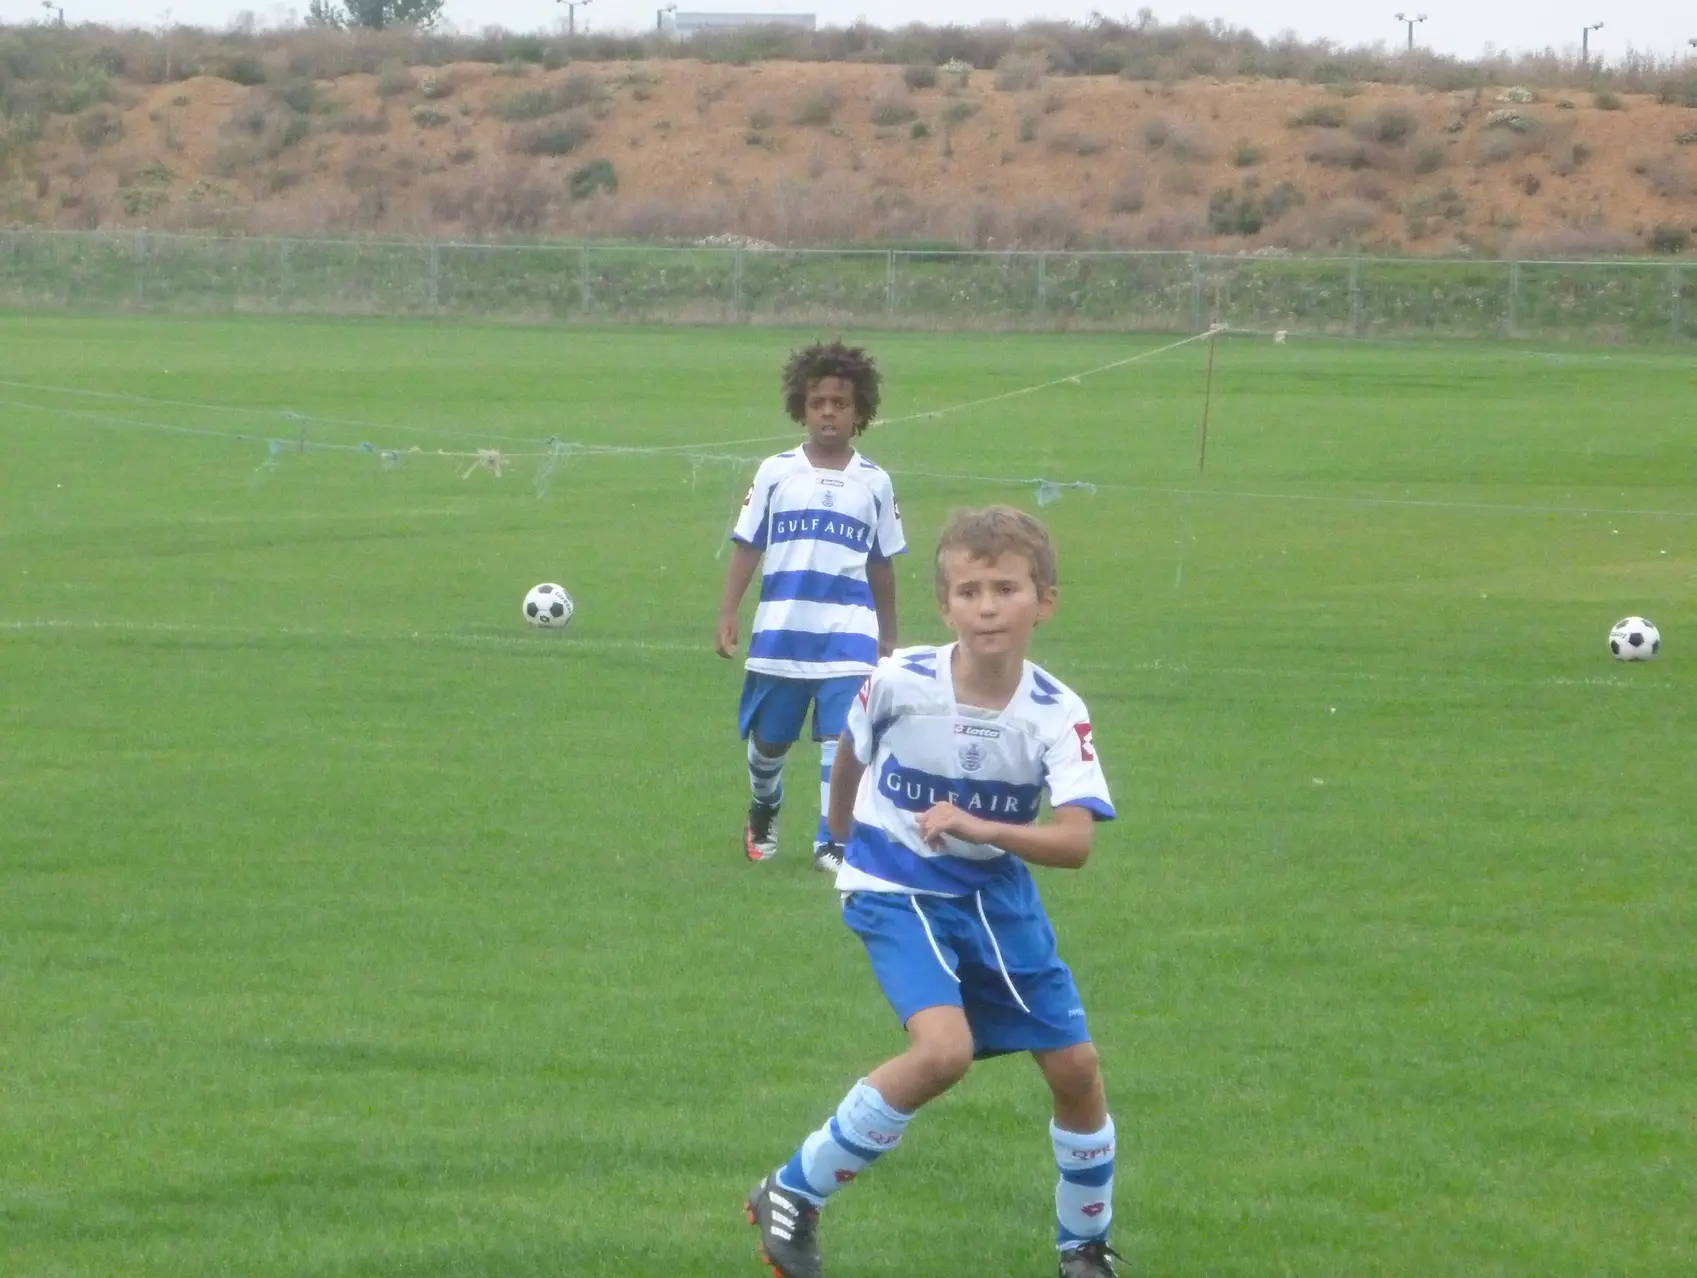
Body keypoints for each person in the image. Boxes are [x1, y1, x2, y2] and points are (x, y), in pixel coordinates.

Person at [744, 506, 1124, 1278]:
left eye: (1007, 589)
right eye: (970, 590)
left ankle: (1083, 1246)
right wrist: (845, 843)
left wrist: (987, 830)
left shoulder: (1055, 711)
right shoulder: (897, 680)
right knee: (944, 1051)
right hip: (894, 883)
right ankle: (791, 1190)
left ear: (1043, 601)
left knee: (1076, 1069)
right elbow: (851, 751)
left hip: (993, 893)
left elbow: (1075, 842)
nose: (987, 606)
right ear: (944, 605)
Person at [715, 340, 905, 873]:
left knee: (841, 735)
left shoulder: (874, 482)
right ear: (802, 406)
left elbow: (881, 562)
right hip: (782, 631)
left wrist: (889, 634)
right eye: (818, 401)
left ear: (859, 411)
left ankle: (832, 840)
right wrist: (728, 613)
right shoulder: (776, 472)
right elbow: (748, 545)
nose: (828, 411)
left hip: (849, 632)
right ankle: (764, 806)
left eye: (840, 403)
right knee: (769, 743)